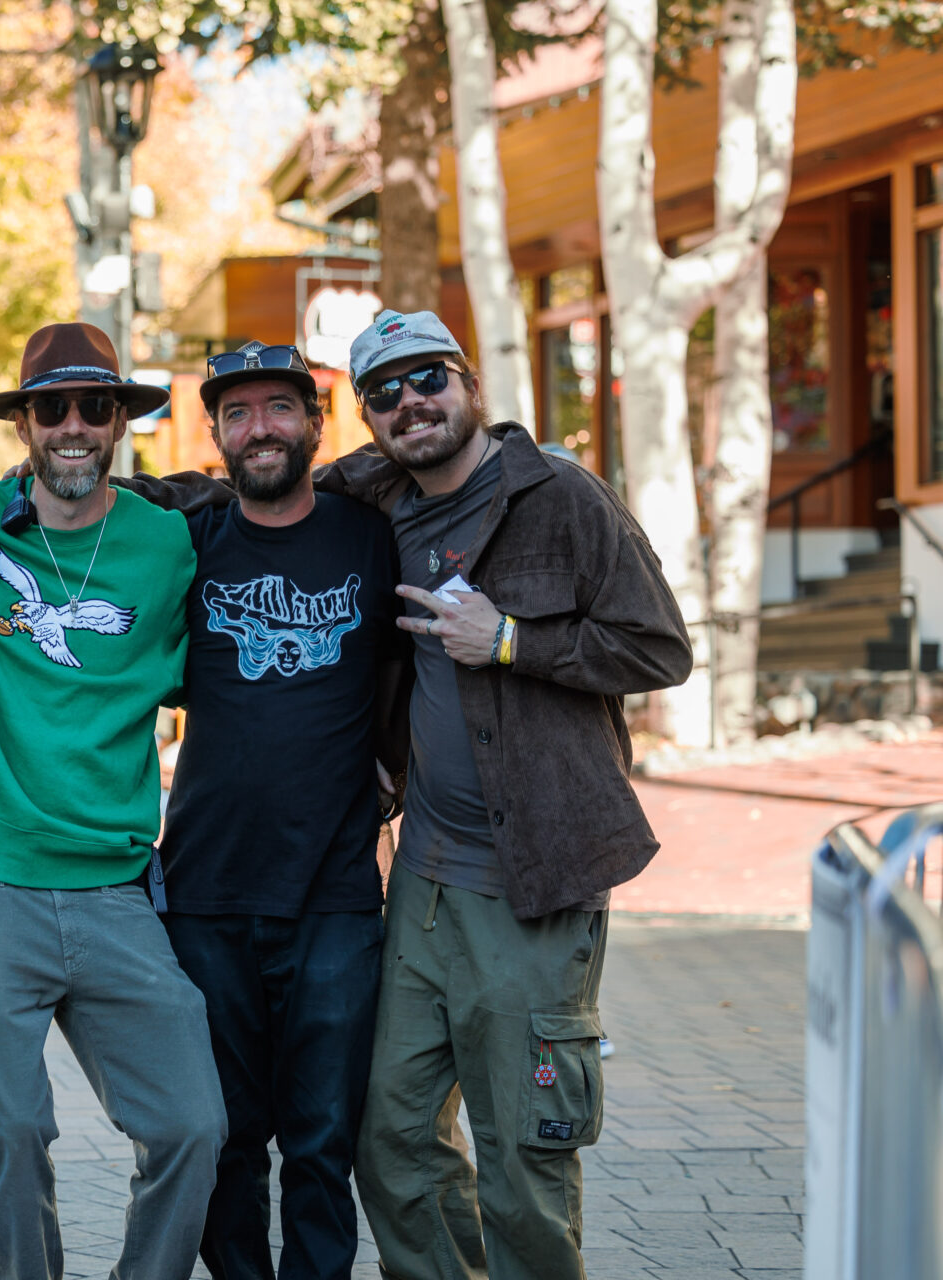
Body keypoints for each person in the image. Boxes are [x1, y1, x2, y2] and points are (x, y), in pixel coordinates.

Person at [322, 310, 692, 1280]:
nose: (410, 403)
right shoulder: (377, 494)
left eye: (428, 378)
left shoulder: (559, 495)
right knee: (393, 1143)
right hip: (423, 886)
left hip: (535, 883)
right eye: (384, 392)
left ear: (470, 383)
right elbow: (245, 487)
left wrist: (511, 641)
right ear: (367, 416)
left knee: (524, 1162)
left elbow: (660, 648)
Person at [0, 322, 227, 1280]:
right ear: (25, 425)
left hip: (115, 890)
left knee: (192, 1126)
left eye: (96, 406)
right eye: (53, 408)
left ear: (121, 421)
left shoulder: (167, 544)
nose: (75, 426)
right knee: (7, 1136)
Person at [113, 341, 410, 1280]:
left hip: (335, 897)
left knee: (323, 1141)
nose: (260, 430)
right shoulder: (193, 542)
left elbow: (406, 669)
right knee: (226, 1141)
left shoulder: (370, 537)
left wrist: (396, 763)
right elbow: (96, 521)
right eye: (236, 414)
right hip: (206, 894)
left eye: (279, 407)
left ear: (316, 421)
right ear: (217, 435)